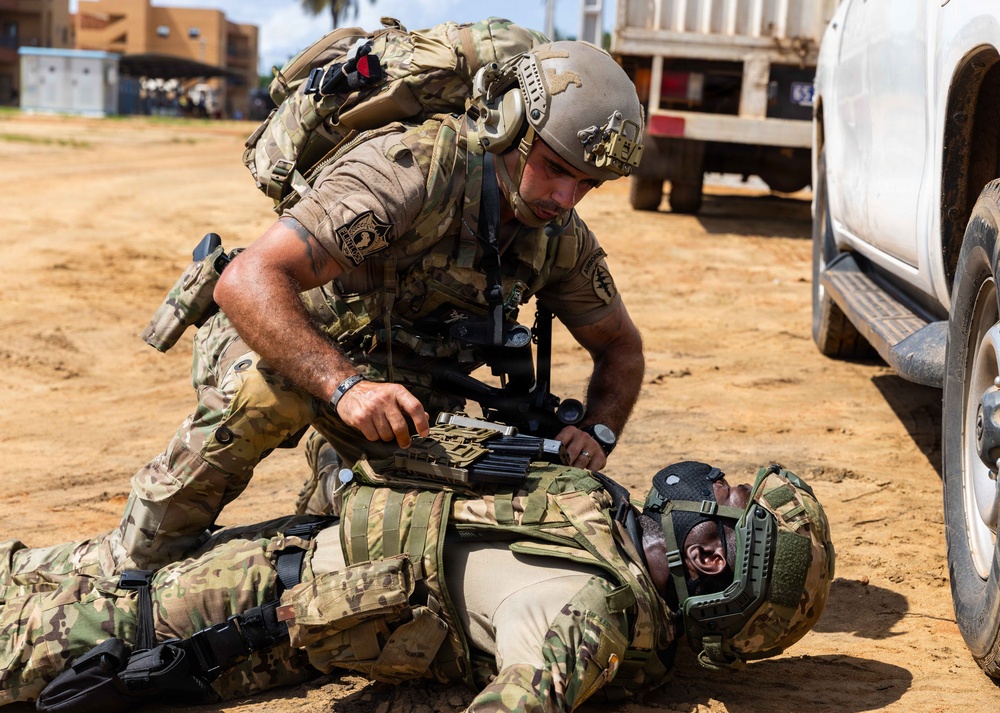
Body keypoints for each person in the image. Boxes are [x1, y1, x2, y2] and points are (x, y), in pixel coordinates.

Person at [102, 37, 647, 576]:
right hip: (281, 339)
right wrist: (346, 388)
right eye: (554, 168)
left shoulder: (559, 237)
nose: (564, 199)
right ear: (509, 124)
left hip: (395, 388)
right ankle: (134, 559)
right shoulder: (411, 170)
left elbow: (621, 347)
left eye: (587, 183)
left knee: (415, 521)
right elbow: (248, 280)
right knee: (269, 393)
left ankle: (324, 505)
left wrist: (597, 429)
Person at [0, 419, 835, 711]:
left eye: (729, 493)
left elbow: (523, 694)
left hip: (238, 610)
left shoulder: (594, 615)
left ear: (716, 550)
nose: (712, 481)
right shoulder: (603, 517)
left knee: (41, 635)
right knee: (34, 572)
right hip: (281, 545)